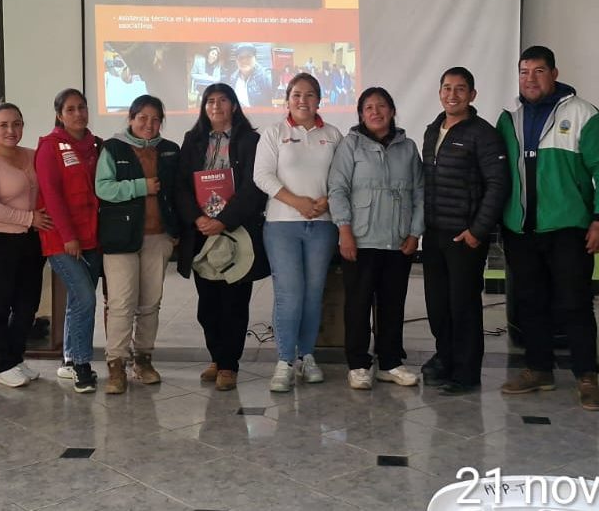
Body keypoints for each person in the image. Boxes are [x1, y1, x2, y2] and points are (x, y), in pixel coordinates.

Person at [496, 46, 599, 411]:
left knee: (575, 303)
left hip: (569, 228)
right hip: (521, 230)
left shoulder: (582, 113)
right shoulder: (509, 117)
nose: (530, 79)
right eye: (524, 72)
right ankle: (539, 369)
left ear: (554, 74)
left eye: (539, 71)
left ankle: (586, 376)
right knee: (530, 303)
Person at [328, 87, 424, 390]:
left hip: (397, 240)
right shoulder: (350, 145)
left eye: (381, 106)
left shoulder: (408, 147)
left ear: (392, 111)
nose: (375, 112)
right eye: (368, 107)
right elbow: (337, 189)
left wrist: (415, 232)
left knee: (392, 305)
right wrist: (344, 230)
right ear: (361, 114)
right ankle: (358, 364)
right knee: (357, 305)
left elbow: (420, 192)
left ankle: (390, 362)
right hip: (360, 239)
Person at [420, 67, 509, 394]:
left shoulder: (483, 134)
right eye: (447, 88)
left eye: (460, 89)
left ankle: (467, 371)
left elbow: (498, 185)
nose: (452, 94)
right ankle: (445, 358)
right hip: (434, 233)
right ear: (439, 92)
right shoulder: (433, 130)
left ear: (472, 95)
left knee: (463, 306)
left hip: (464, 237)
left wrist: (477, 231)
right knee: (437, 305)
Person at [175, 83, 268, 392]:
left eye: (223, 100)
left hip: (237, 231)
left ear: (234, 106)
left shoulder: (250, 140)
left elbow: (254, 187)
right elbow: (180, 185)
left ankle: (229, 364)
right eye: (210, 101)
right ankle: (216, 357)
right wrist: (198, 218)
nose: (216, 106)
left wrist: (224, 220)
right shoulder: (193, 140)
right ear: (204, 107)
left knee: (234, 303)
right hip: (202, 231)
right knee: (208, 304)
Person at [254, 73, 343, 393]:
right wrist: (298, 203)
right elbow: (261, 175)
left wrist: (326, 201)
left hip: (322, 225)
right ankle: (284, 361)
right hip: (282, 225)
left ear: (319, 100)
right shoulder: (274, 133)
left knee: (313, 293)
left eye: (309, 95)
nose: (302, 100)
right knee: (289, 294)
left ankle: (307, 356)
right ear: (287, 100)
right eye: (296, 95)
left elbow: (342, 176)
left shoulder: (332, 134)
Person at [94, 94, 180, 394]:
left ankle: (143, 360)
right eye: (142, 117)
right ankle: (116, 364)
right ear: (130, 119)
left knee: (150, 304)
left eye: (155, 119)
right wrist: (141, 187)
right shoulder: (112, 147)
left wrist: (176, 230)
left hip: (158, 237)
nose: (149, 124)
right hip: (120, 238)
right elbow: (103, 188)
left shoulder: (170, 150)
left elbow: (179, 192)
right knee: (121, 303)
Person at [0, 102, 52, 388]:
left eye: (16, 124)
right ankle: (2, 364)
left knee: (27, 305)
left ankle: (16, 358)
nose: (11, 130)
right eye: (3, 125)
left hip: (31, 240)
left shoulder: (32, 155)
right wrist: (29, 218)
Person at [36, 89, 104, 394]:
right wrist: (69, 237)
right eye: (71, 109)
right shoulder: (50, 147)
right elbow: (51, 196)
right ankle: (81, 364)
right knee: (86, 298)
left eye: (82, 107)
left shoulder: (96, 145)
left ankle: (68, 358)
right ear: (60, 115)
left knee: (78, 299)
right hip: (62, 239)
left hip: (93, 237)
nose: (78, 114)